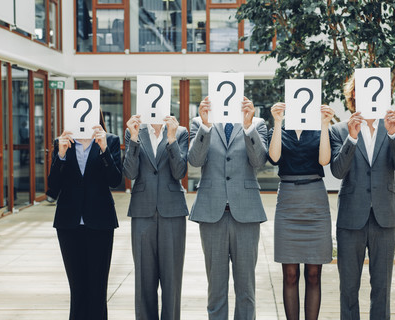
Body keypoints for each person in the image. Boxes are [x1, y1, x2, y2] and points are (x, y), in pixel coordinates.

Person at [330, 75, 395, 320]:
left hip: (384, 217)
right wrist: (352, 138)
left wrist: (392, 135)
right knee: (348, 288)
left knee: (382, 287)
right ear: (353, 95)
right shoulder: (340, 129)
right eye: (360, 91)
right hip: (350, 219)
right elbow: (337, 171)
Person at [188, 96, 268, 320]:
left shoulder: (257, 124)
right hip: (212, 214)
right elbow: (194, 161)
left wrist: (248, 126)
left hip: (246, 214)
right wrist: (205, 126)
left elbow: (259, 161)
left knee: (246, 290)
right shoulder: (199, 123)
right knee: (216, 290)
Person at [47, 111, 122, 320]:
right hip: (68, 223)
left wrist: (104, 149)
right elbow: (52, 188)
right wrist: (60, 155)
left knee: (97, 287)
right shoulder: (61, 142)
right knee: (77, 287)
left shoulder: (110, 140)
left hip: (100, 221)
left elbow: (116, 181)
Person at [268, 102, 335, 320]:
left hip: (315, 201)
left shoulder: (319, 128)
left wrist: (325, 124)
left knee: (314, 274)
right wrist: (277, 121)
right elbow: (274, 158)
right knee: (290, 274)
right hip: (288, 202)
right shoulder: (280, 128)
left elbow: (324, 160)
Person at [123, 114, 189, 320]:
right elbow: (130, 173)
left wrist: (171, 139)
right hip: (143, 210)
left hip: (172, 211)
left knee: (172, 280)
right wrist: (133, 139)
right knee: (144, 279)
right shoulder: (133, 131)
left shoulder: (180, 132)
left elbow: (179, 172)